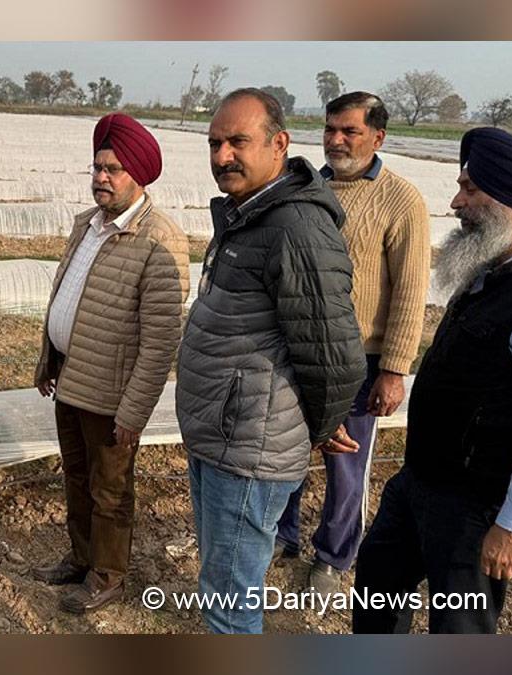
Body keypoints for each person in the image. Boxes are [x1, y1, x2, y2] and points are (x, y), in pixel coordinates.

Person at [353, 127, 512, 634]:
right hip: (418, 483)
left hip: (477, 510)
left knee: (460, 635)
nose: (455, 202)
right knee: (377, 597)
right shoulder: (489, 270)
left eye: (470, 189)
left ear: (511, 200)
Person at [176, 88, 366, 633]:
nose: (221, 156)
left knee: (230, 603)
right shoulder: (249, 215)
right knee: (223, 586)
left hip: (248, 448)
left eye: (238, 141)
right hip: (223, 434)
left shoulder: (295, 228)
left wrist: (323, 424)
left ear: (279, 144)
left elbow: (337, 356)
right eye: (214, 143)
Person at [31, 113, 189, 614]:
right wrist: (48, 358)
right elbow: (67, 295)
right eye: (97, 167)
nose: (102, 177)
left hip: (110, 393)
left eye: (113, 169)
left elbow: (161, 341)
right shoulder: (87, 225)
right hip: (72, 379)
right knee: (76, 477)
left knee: (110, 490)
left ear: (138, 175)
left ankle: (108, 575)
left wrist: (133, 413)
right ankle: (80, 559)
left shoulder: (159, 239)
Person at [275, 92, 430, 593]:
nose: (336, 140)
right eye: (330, 129)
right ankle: (283, 534)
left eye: (350, 131)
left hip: (360, 359)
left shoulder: (401, 200)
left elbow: (410, 289)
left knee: (347, 464)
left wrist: (394, 368)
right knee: (287, 448)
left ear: (377, 137)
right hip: (299, 349)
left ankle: (334, 556)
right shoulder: (303, 188)